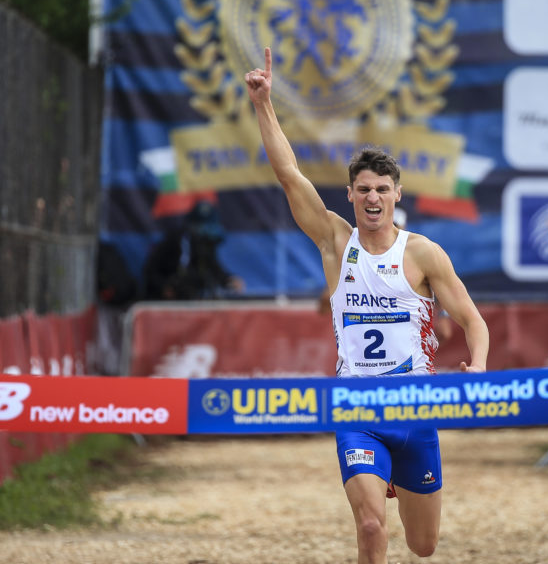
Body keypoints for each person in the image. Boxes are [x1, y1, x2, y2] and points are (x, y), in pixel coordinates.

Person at [245, 47, 489, 563]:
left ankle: (402, 479)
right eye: (363, 190)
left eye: (381, 189)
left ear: (397, 194)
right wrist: (264, 103)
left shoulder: (423, 254)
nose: (373, 198)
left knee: (423, 546)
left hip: (416, 408)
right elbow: (289, 174)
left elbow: (472, 320)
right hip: (357, 406)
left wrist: (480, 368)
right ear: (351, 196)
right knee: (372, 526)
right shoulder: (336, 243)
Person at [142, 200, 244, 300]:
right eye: (200, 226)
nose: (204, 231)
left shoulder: (206, 244)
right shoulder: (175, 241)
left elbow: (214, 267)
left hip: (193, 299)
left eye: (209, 226)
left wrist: (228, 279)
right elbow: (150, 270)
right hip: (166, 298)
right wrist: (164, 287)